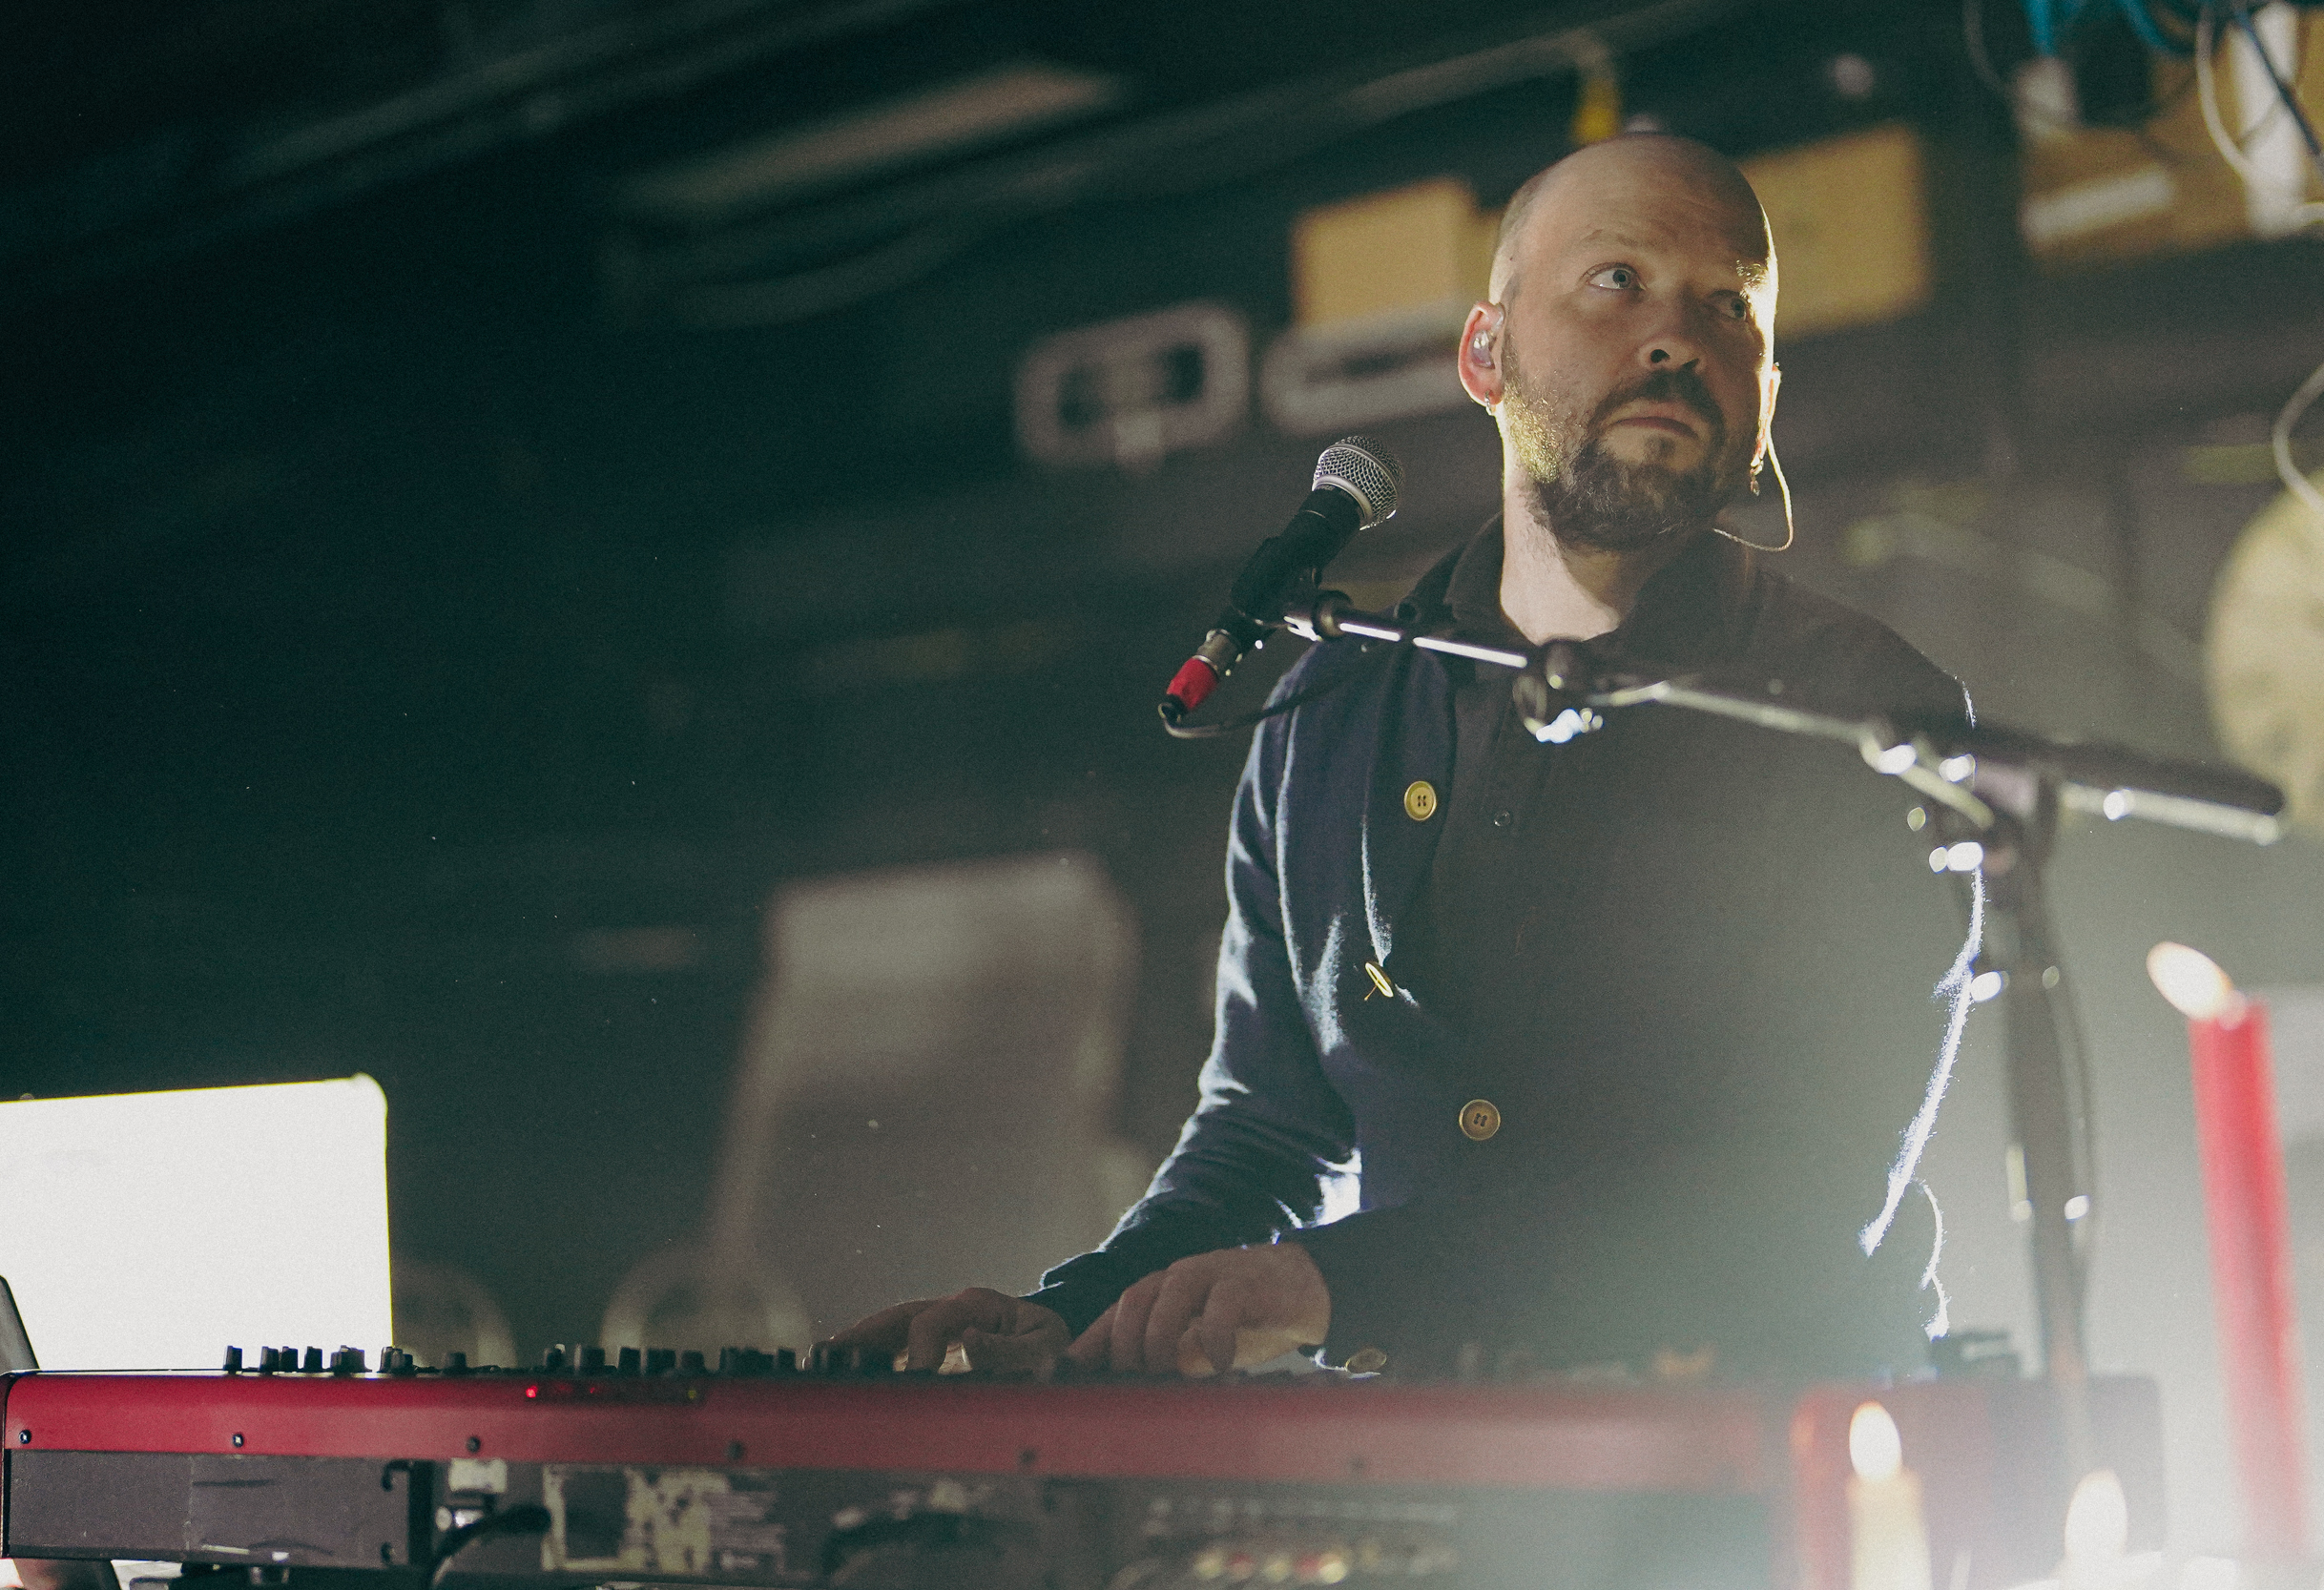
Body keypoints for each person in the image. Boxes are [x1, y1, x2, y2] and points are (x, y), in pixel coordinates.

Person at [829, 133, 1971, 1381]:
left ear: (1766, 396)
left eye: (1727, 307)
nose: (1674, 340)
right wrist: (1072, 1311)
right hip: (1428, 1462)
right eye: (1618, 281)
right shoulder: (1330, 708)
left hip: (1773, 1456)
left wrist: (1350, 1286)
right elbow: (1270, 1133)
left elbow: (1799, 1195)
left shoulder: (1870, 715)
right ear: (1486, 354)